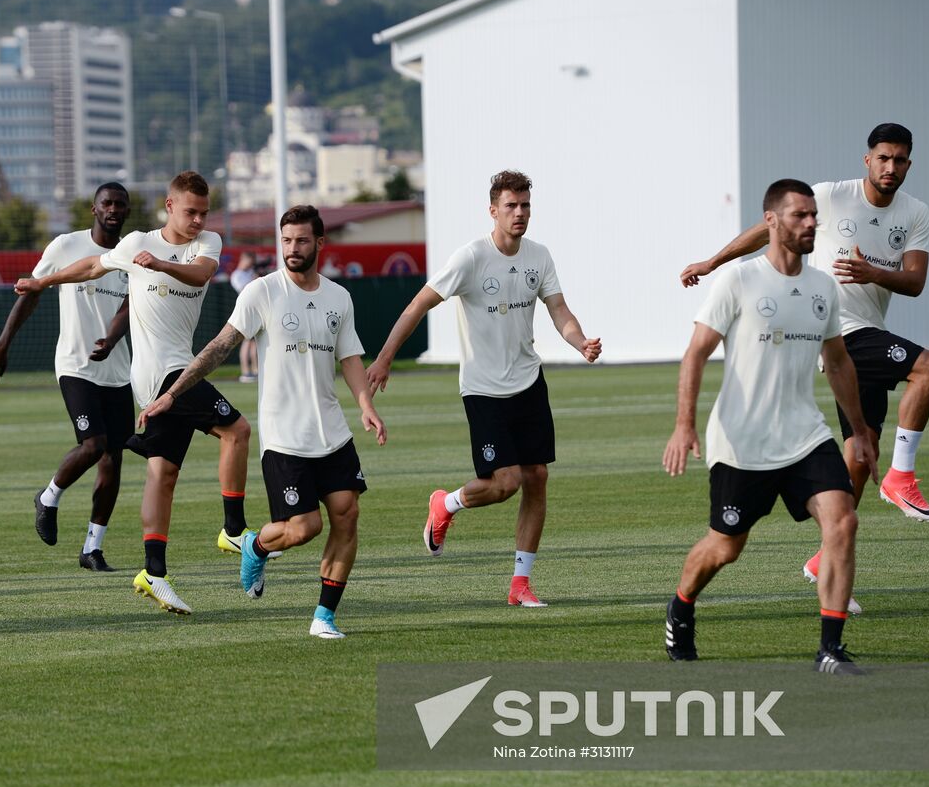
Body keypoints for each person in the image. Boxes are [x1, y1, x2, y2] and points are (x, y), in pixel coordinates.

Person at [679, 123, 929, 605]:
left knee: (860, 455)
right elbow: (768, 229)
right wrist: (713, 262)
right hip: (837, 328)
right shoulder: (830, 195)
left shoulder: (916, 213)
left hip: (867, 332)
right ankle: (902, 477)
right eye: (883, 158)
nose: (891, 167)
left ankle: (824, 559)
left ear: (909, 164)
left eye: (900, 160)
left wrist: (873, 273)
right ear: (867, 160)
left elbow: (915, 281)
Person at [141, 205, 387, 638]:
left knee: (347, 514)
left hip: (331, 430)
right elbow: (219, 347)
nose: (293, 249)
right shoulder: (262, 292)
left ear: (320, 243)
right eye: (286, 240)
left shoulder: (339, 298)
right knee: (304, 527)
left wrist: (365, 405)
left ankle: (324, 617)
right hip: (284, 437)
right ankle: (254, 546)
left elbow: (349, 359)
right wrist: (173, 394)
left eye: (302, 241)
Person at [663, 179, 878, 674]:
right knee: (725, 548)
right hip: (742, 442)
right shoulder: (739, 280)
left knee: (843, 521)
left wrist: (860, 430)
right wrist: (683, 425)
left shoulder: (824, 286)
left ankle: (830, 649)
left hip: (805, 434)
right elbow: (695, 353)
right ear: (772, 221)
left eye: (813, 216)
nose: (811, 223)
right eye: (800, 215)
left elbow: (839, 362)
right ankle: (681, 604)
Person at [16, 171, 253, 615]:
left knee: (163, 474)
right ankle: (234, 530)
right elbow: (89, 266)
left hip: (174, 371)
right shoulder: (137, 243)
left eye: (204, 212)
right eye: (190, 212)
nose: (199, 220)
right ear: (169, 205)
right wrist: (42, 283)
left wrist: (159, 265)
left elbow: (201, 276)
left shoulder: (208, 243)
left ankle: (153, 574)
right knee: (237, 430)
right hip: (160, 373)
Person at [366, 170, 601, 607]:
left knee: (537, 477)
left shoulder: (539, 256)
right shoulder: (470, 258)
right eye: (511, 206)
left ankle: (520, 585)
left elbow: (559, 310)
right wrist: (383, 358)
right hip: (483, 390)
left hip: (529, 381)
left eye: (525, 205)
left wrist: (580, 341)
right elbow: (419, 303)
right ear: (493, 211)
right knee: (504, 482)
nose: (519, 213)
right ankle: (446, 504)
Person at [0, 183, 133, 572]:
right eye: (107, 203)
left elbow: (129, 307)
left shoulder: (130, 254)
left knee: (113, 459)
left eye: (120, 204)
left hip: (117, 371)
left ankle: (92, 549)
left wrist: (113, 339)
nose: (113, 209)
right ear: (94, 209)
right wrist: (3, 344)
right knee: (93, 443)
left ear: (127, 211)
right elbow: (31, 293)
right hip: (75, 366)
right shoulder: (65, 246)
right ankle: (48, 497)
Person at [229, 251, 260, 383]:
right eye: (249, 261)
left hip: (256, 309)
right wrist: (254, 281)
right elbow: (243, 291)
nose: (250, 264)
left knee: (255, 342)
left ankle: (255, 371)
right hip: (245, 310)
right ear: (244, 259)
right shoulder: (237, 275)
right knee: (246, 341)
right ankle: (245, 372)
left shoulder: (250, 272)